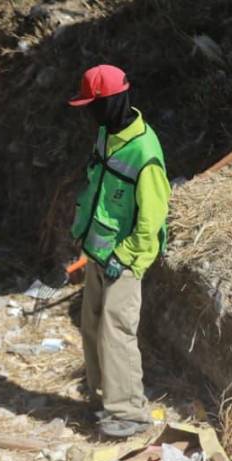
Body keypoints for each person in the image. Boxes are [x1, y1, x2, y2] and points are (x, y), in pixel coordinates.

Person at [67, 64, 171, 438]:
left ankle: (129, 413)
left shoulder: (144, 151)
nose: (88, 114)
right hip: (98, 251)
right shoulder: (105, 133)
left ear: (113, 102)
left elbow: (153, 217)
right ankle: (102, 400)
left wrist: (124, 257)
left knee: (116, 331)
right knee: (92, 327)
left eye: (92, 106)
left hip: (124, 259)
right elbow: (97, 188)